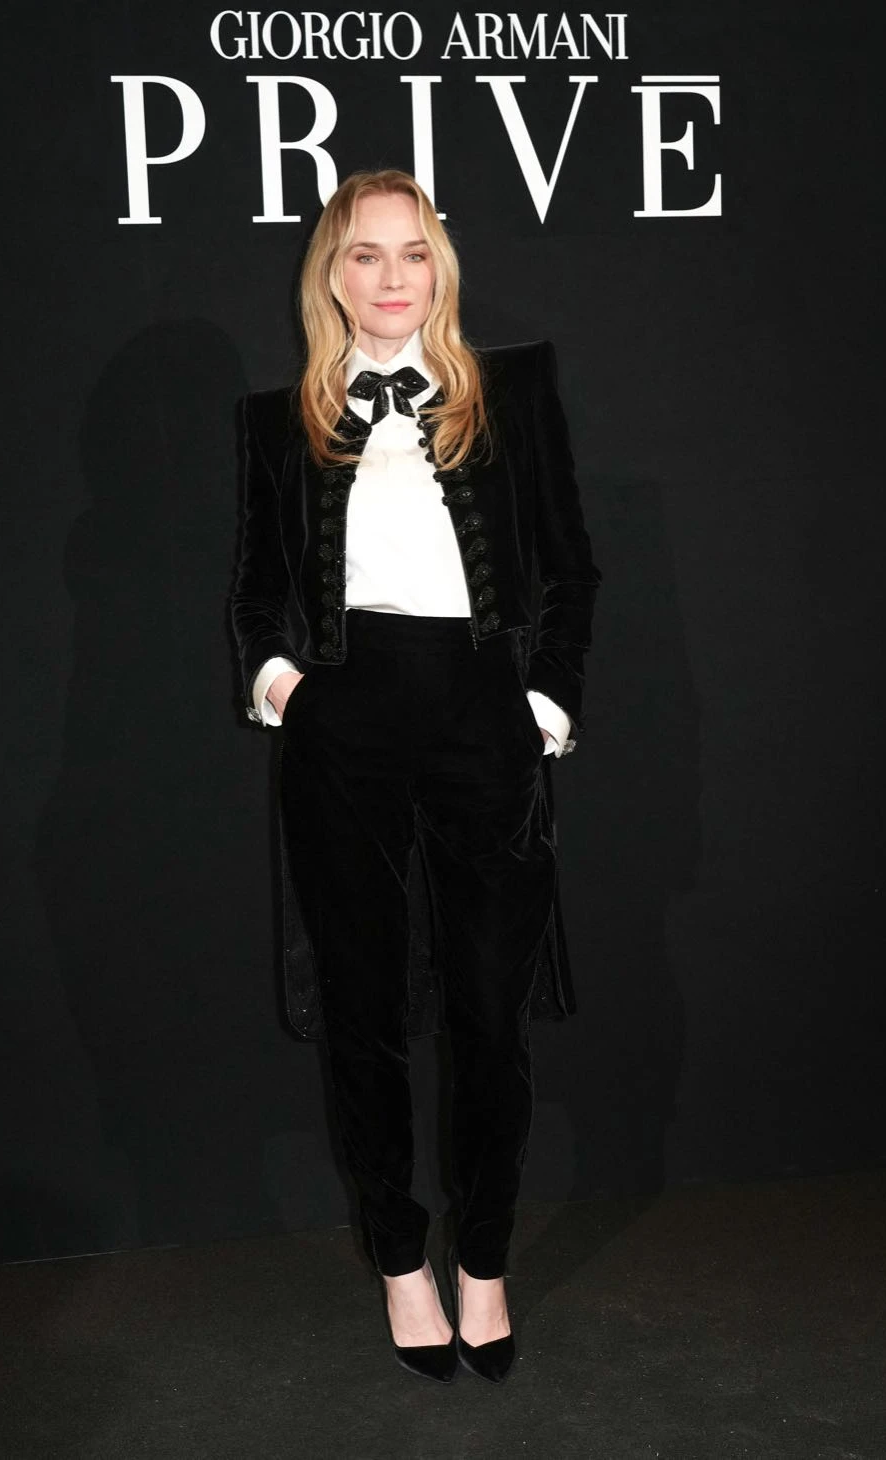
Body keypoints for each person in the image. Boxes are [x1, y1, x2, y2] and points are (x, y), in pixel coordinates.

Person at [231, 168, 600, 1383]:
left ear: (439, 267)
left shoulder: (513, 392)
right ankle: (400, 1261)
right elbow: (255, 596)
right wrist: (288, 689)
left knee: (491, 1014)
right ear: (330, 277)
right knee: (366, 1012)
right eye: (364, 253)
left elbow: (570, 569)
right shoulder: (276, 423)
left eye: (412, 251)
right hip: (345, 732)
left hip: (484, 720)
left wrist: (540, 707)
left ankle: (483, 1261)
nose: (391, 276)